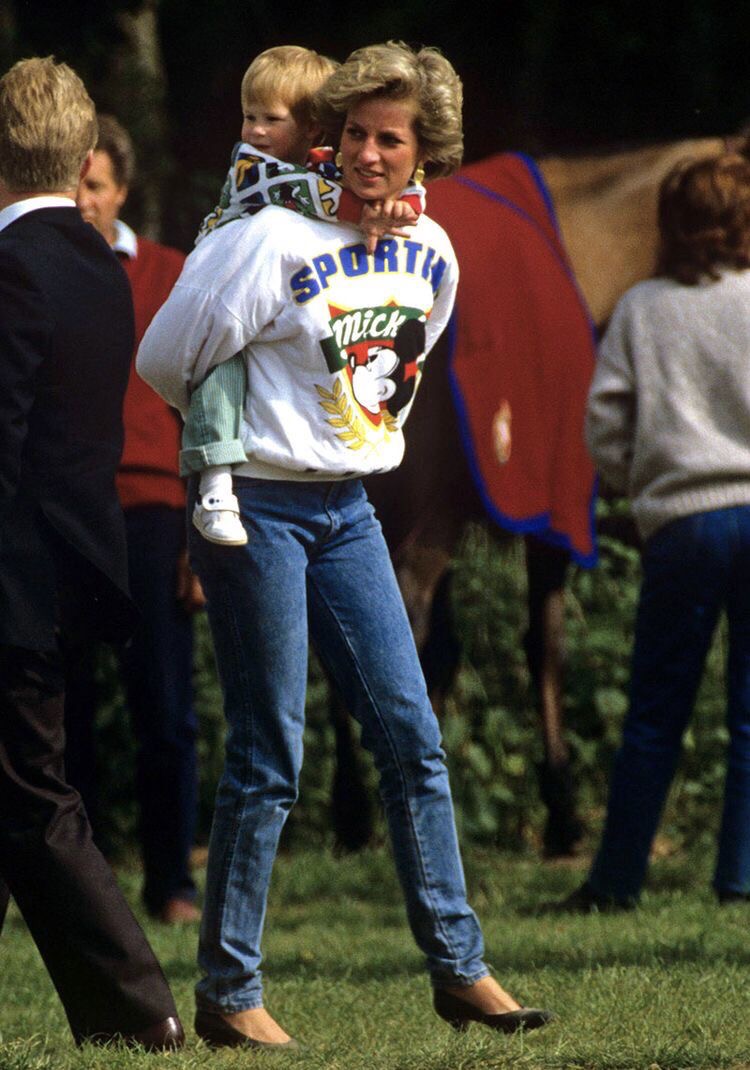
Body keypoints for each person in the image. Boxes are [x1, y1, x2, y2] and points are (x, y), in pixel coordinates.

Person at [138, 40, 554, 1049]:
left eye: (392, 139)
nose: (371, 154)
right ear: (334, 139)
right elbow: (163, 360)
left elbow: (395, 377)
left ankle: (461, 970)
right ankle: (229, 988)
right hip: (262, 511)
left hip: (351, 513)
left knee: (413, 738)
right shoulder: (267, 237)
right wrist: (232, 455)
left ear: (425, 154)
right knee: (269, 749)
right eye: (357, 135)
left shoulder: (434, 254)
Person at [0, 56, 183, 1049]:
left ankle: (138, 1001)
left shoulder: (13, 266)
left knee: (35, 791)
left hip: (15, 576)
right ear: (80, 159)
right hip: (73, 565)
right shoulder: (98, 266)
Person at [561, 153, 750, 912]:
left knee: (654, 710)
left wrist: (638, 485)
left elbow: (605, 424)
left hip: (680, 522)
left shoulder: (641, 307)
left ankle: (616, 882)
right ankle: (739, 878)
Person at [184, 44, 422, 547]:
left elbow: (407, 193)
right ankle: (214, 482)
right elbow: (304, 196)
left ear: (313, 128)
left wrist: (396, 207)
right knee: (221, 374)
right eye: (249, 116)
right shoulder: (252, 169)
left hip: (270, 308)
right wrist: (368, 211)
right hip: (223, 287)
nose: (254, 131)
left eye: (271, 119)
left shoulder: (326, 167)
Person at [67, 113, 202, 925]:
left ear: (120, 191)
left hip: (154, 510)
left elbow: (205, 409)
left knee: (164, 708)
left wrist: (198, 538)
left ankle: (172, 885)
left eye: (96, 185)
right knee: (65, 712)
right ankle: (80, 893)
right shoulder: (30, 273)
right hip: (67, 517)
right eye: (72, 183)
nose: (83, 200)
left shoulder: (172, 275)